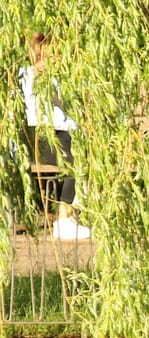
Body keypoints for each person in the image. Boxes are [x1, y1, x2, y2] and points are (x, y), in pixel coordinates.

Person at [19, 32, 89, 240]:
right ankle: (65, 219)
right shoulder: (34, 76)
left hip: (50, 135)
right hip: (48, 134)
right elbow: (61, 103)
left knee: (81, 154)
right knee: (77, 162)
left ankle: (71, 215)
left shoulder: (31, 74)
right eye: (52, 55)